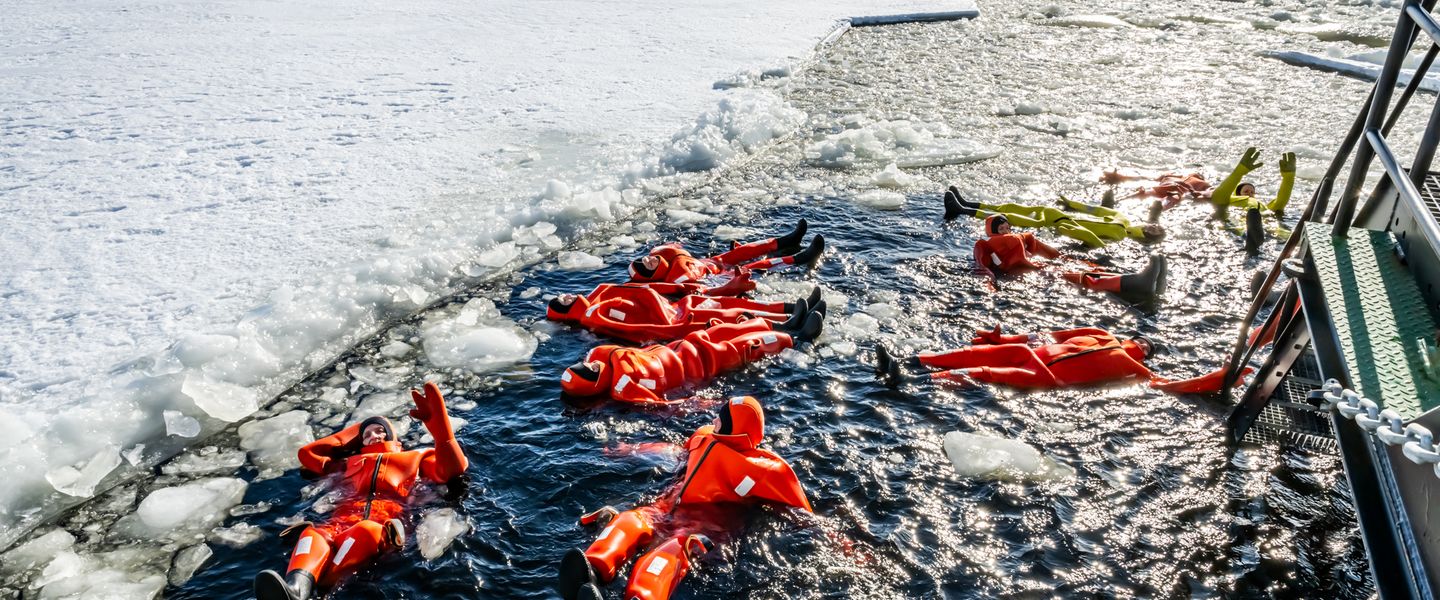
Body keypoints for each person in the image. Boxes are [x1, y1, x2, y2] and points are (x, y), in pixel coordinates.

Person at [557, 396, 812, 600]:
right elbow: (677, 452)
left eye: (722, 418)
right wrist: (631, 450)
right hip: (664, 507)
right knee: (629, 521)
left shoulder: (763, 470)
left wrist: (832, 538)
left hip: (700, 525)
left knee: (667, 553)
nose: (715, 419)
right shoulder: (703, 436)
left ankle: (642, 596)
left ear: (736, 428)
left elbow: (801, 509)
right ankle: (592, 569)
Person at [253, 382, 468, 600]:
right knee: (313, 535)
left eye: (380, 431)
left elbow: (452, 469)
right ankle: (295, 590)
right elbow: (308, 454)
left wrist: (443, 433)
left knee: (366, 531)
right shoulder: (348, 463)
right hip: (340, 521)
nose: (374, 435)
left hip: (383, 522)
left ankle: (321, 591)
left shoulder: (415, 457)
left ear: (392, 436)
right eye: (367, 434)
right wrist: (353, 434)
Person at [874, 325, 1239, 394]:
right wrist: (1001, 339)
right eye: (1143, 342)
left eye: (1149, 349)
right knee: (1002, 353)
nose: (1144, 348)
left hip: (1049, 379)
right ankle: (912, 361)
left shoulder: (1135, 368)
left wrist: (1220, 377)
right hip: (1034, 356)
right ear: (1132, 337)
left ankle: (912, 380)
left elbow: (1169, 386)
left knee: (989, 370)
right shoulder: (1099, 334)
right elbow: (1045, 336)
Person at [560, 311, 823, 405]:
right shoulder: (623, 388)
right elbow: (660, 406)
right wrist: (697, 403)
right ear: (594, 385)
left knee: (723, 329)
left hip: (682, 347)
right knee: (746, 347)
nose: (589, 365)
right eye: (588, 371)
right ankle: (798, 339)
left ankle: (785, 324)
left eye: (582, 365)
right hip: (699, 366)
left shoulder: (599, 355)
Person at [970, 213, 1167, 304]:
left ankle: (1144, 281)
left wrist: (1072, 260)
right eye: (1001, 228)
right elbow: (981, 267)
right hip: (1021, 275)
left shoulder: (1019, 238)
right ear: (991, 230)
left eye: (1007, 227)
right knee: (1074, 277)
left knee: (1078, 270)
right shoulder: (984, 244)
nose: (1006, 231)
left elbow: (1046, 250)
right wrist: (990, 286)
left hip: (1036, 268)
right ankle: (1138, 284)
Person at [547, 284, 823, 344]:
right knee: (734, 318)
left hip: (676, 308)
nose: (566, 295)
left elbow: (644, 290)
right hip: (673, 321)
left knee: (728, 304)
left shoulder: (599, 292)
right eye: (562, 301)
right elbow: (635, 331)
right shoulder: (593, 316)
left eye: (562, 294)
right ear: (565, 312)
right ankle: (788, 329)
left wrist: (681, 289)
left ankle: (788, 312)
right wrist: (674, 330)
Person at [943, 186, 1165, 248]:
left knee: (1009, 216)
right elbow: (1096, 210)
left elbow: (1091, 237)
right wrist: (1071, 204)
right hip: (1057, 214)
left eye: (1155, 231)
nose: (1152, 227)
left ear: (1149, 237)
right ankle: (967, 203)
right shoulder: (1122, 219)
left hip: (1056, 223)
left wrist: (1068, 231)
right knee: (1011, 206)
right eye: (1155, 226)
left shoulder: (1119, 236)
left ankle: (960, 210)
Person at [629, 219, 825, 286]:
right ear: (654, 275)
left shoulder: (663, 255)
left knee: (746, 250)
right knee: (756, 266)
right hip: (718, 276)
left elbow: (676, 248)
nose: (649, 260)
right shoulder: (675, 279)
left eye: (644, 259)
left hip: (713, 261)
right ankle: (803, 257)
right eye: (649, 265)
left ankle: (789, 240)